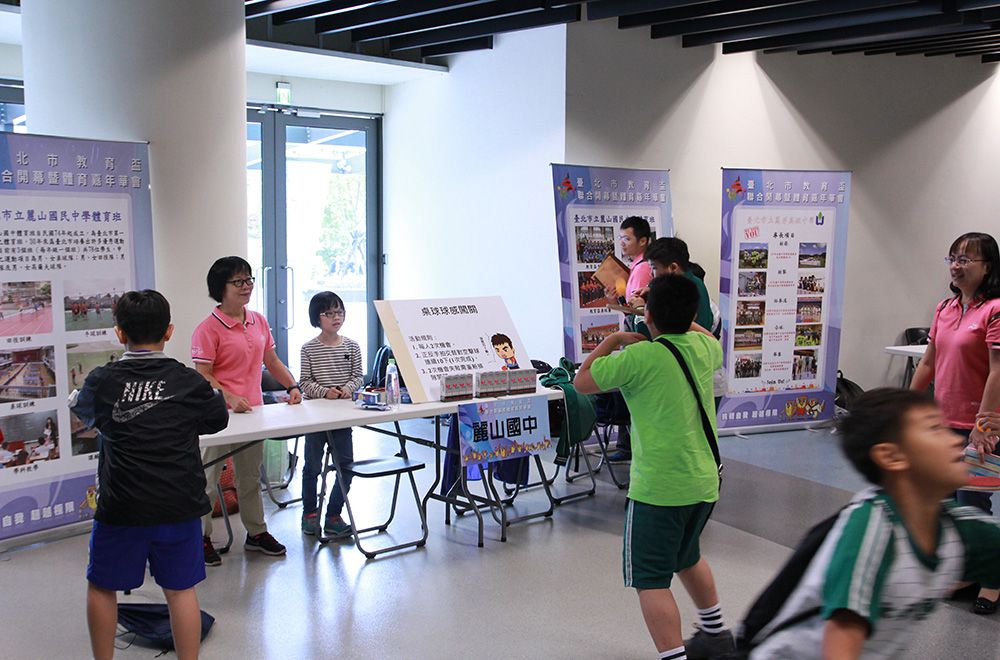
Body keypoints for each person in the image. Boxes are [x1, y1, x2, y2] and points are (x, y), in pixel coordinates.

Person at [748, 389, 1000, 658]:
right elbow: (841, 644)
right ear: (891, 457)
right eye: (934, 429)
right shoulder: (871, 528)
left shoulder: (956, 527)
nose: (955, 440)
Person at [574, 274, 732, 660]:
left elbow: (581, 382)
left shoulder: (638, 358)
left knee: (650, 579)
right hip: (704, 482)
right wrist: (673, 312)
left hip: (659, 490)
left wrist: (613, 340)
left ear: (646, 316)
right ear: (693, 314)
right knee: (687, 556)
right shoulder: (704, 347)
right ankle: (717, 637)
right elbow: (701, 333)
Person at [69, 289, 229, 660]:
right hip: (179, 504)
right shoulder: (189, 381)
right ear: (169, 331)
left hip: (122, 506)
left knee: (102, 587)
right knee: (180, 590)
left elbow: (84, 411)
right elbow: (216, 418)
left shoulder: (102, 380)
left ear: (119, 333)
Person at [909, 231, 1000, 613]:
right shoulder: (945, 307)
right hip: (943, 421)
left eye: (966, 259)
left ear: (987, 267)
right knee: (948, 503)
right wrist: (905, 406)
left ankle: (992, 579)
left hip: (978, 425)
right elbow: (929, 362)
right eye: (953, 258)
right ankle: (966, 570)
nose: (957, 266)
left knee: (973, 504)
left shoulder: (995, 309)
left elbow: (998, 371)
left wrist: (985, 424)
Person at [191, 256, 302, 566]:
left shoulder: (258, 321)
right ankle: (199, 538)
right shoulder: (207, 328)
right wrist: (228, 396)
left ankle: (256, 533)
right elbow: (202, 374)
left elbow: (272, 361)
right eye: (238, 281)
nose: (247, 286)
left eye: (249, 280)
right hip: (217, 416)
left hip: (253, 414)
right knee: (207, 480)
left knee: (250, 477)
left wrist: (293, 386)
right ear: (220, 288)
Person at [298, 291, 364, 538]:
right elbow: (305, 381)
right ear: (317, 318)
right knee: (312, 468)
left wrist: (347, 389)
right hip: (315, 417)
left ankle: (334, 515)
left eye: (340, 312)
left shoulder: (352, 346)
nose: (336, 317)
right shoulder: (308, 348)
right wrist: (325, 392)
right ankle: (309, 514)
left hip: (343, 417)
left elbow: (358, 376)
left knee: (346, 466)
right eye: (329, 313)